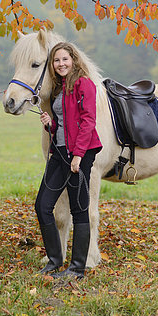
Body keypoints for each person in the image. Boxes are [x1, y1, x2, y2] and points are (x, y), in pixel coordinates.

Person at [35, 42, 103, 279]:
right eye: (56, 61)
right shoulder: (60, 88)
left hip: (79, 154)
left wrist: (78, 155)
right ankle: (55, 260)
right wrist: (49, 124)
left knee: (79, 208)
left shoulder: (84, 84)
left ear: (73, 59)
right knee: (42, 205)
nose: (61, 64)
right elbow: (64, 124)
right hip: (60, 151)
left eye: (65, 59)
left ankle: (77, 268)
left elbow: (88, 122)